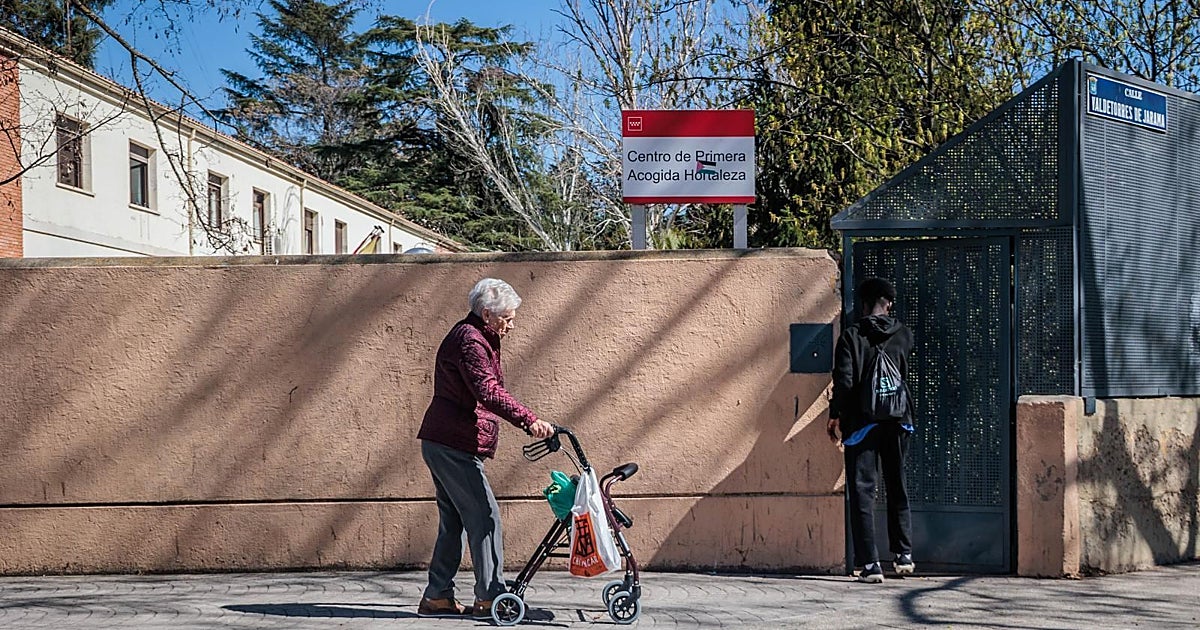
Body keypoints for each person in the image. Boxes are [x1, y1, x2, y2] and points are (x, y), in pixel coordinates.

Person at [416, 278, 555, 618]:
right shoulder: (470, 340)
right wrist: (529, 420)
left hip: (446, 440)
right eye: (507, 318)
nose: (512, 324)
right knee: (485, 517)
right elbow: (488, 392)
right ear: (487, 314)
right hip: (453, 444)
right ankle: (490, 597)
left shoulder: (480, 336)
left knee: (454, 522)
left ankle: (437, 597)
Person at [827, 277, 916, 584]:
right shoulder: (903, 335)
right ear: (888, 303)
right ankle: (903, 556)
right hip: (897, 421)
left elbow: (845, 382)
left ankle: (870, 565)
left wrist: (836, 415)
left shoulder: (851, 336)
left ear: (864, 304)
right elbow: (902, 376)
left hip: (862, 425)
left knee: (863, 492)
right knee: (897, 485)